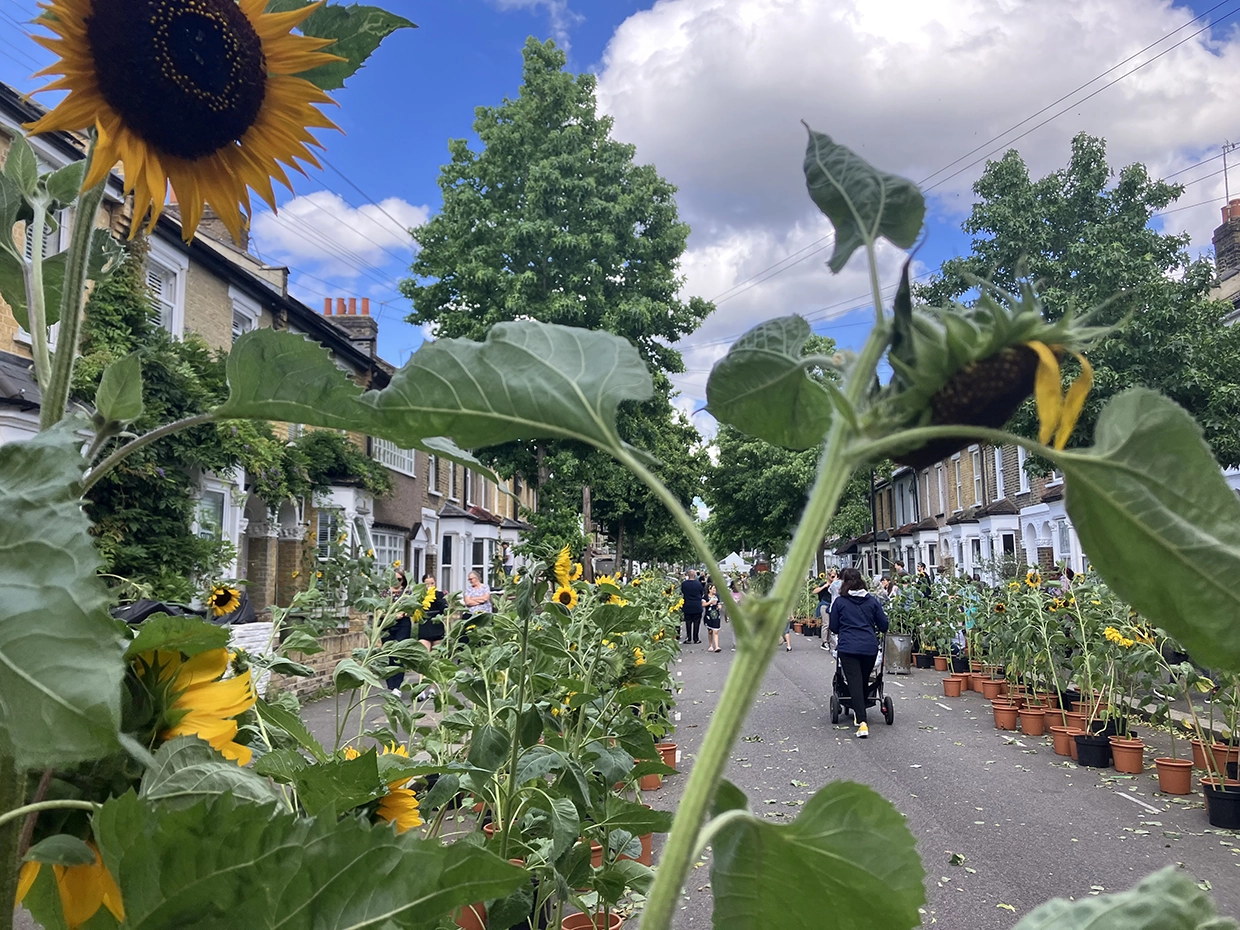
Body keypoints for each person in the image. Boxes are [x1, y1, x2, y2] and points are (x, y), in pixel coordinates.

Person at [828, 567, 889, 739]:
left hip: (848, 648)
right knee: (862, 679)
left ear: (844, 583)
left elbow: (833, 627)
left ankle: (862, 721)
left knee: (854, 681)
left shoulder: (840, 603)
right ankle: (860, 710)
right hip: (869, 647)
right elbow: (884, 625)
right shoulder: (872, 601)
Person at [383, 571, 412, 694]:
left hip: (403, 624)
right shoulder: (384, 593)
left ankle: (397, 686)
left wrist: (403, 614)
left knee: (398, 653)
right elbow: (379, 610)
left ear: (403, 580)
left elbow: (412, 608)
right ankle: (390, 684)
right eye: (394, 579)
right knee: (389, 653)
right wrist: (390, 616)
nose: (397, 582)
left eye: (399, 579)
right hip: (387, 624)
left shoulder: (407, 592)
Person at [819, 568, 842, 651]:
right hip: (825, 605)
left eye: (835, 575)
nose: (833, 577)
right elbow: (815, 591)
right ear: (828, 576)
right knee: (826, 623)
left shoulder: (837, 583)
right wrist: (824, 586)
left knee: (832, 624)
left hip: (834, 607)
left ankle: (831, 641)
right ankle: (824, 642)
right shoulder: (827, 584)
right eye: (832, 576)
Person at [681, 570, 705, 644]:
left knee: (688, 622)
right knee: (696, 623)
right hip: (697, 605)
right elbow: (702, 593)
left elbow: (682, 592)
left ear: (688, 575)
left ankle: (688, 638)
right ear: (694, 575)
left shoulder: (684, 584)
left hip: (687, 605)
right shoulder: (698, 584)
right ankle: (696, 638)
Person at [704, 584, 722, 652]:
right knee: (710, 631)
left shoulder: (717, 596)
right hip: (709, 615)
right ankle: (711, 645)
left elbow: (719, 603)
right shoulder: (705, 597)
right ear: (709, 589)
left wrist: (719, 606)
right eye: (713, 588)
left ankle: (717, 646)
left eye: (715, 588)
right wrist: (710, 602)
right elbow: (703, 604)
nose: (714, 590)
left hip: (716, 615)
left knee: (716, 631)